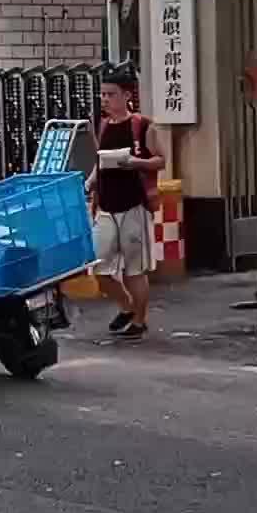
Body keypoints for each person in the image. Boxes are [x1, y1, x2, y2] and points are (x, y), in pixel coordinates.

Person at [85, 78, 165, 340]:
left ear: (126, 95)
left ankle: (139, 320)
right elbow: (99, 160)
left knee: (134, 269)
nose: (105, 99)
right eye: (103, 94)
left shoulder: (142, 125)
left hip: (133, 204)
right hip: (105, 205)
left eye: (111, 94)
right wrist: (91, 181)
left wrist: (135, 162)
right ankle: (127, 306)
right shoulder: (103, 125)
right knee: (98, 265)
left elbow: (160, 160)